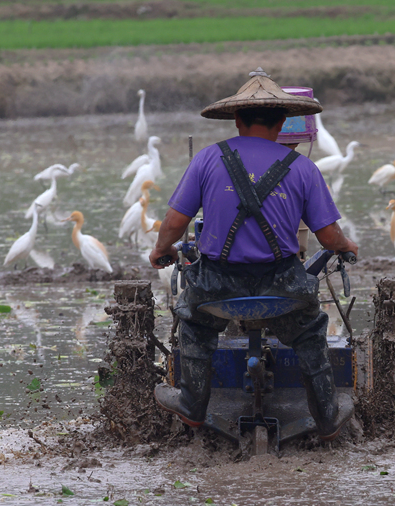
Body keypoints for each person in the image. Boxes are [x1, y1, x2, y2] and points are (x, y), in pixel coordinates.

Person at [148, 68, 359, 441]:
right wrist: (346, 247)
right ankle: (327, 415)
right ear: (282, 124)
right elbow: (328, 236)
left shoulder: (208, 160)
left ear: (237, 120)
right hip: (282, 287)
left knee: (195, 325)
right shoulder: (304, 169)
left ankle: (193, 408)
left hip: (217, 286)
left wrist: (161, 250)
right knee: (310, 332)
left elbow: (174, 221)